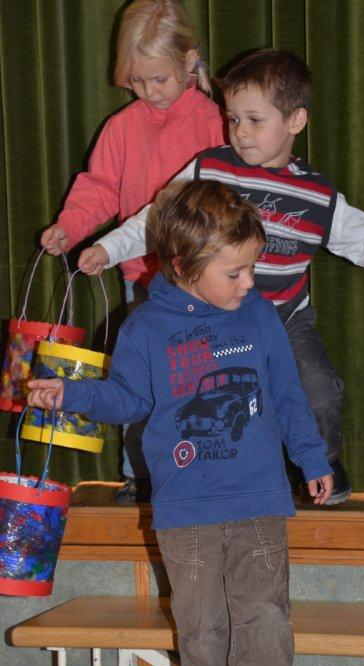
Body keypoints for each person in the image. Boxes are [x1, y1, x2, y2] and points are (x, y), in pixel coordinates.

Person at [29, 179, 333, 666]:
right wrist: (71, 394)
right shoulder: (145, 328)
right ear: (183, 264)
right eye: (235, 272)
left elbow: (286, 393)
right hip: (185, 507)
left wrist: (312, 457)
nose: (249, 284)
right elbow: (128, 400)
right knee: (200, 620)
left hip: (258, 500)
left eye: (252, 268)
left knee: (265, 615)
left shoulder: (259, 316)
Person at [76, 48, 364, 505]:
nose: (240, 132)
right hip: (213, 321)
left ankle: (321, 463)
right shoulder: (209, 169)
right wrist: (108, 248)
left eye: (255, 120)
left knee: (319, 393)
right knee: (196, 401)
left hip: (284, 318)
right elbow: (157, 221)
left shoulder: (316, 193)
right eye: (233, 119)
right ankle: (195, 481)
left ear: (296, 121)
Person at [40, 0, 224, 505]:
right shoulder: (122, 127)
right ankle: (137, 474)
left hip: (202, 282)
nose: (149, 92)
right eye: (137, 82)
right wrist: (69, 227)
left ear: (190, 61)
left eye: (159, 79)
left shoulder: (216, 124)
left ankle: (201, 471)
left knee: (198, 380)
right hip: (139, 276)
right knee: (138, 376)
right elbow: (98, 187)